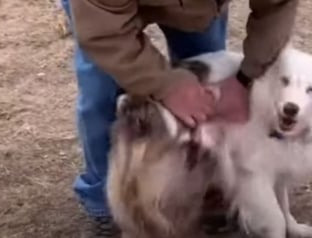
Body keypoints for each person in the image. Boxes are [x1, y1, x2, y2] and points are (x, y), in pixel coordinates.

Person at [60, 0, 298, 237]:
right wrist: (165, 85)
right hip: (101, 11)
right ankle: (105, 204)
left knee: (205, 72)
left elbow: (277, 6)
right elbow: (104, 33)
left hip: (197, 7)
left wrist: (246, 79)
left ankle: (210, 191)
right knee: (100, 96)